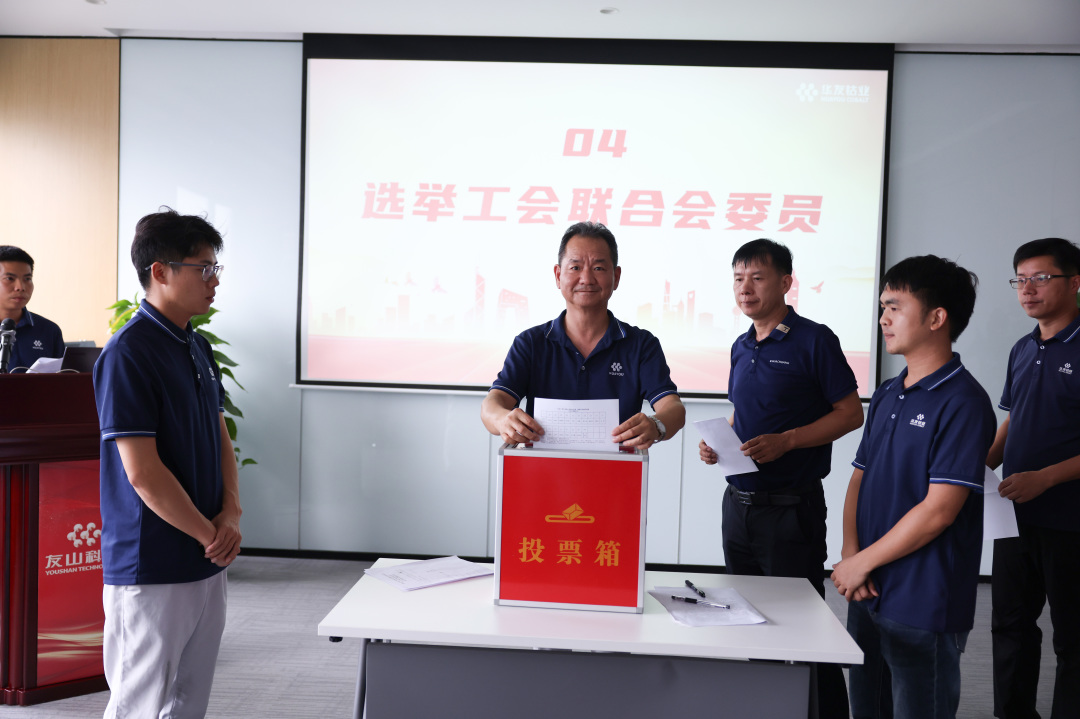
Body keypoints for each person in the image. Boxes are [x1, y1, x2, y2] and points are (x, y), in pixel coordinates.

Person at [698, 238, 862, 719]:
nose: (745, 288)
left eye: (757, 277)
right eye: (738, 278)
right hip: (739, 507)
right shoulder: (741, 345)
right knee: (748, 619)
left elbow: (850, 414)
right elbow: (743, 413)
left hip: (791, 510)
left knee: (804, 626)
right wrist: (721, 443)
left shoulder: (814, 340)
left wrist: (788, 441)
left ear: (786, 282)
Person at [831, 255, 996, 719]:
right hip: (868, 587)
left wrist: (862, 561)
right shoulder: (888, 391)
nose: (883, 318)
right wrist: (851, 554)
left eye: (895, 307)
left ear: (937, 318)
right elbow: (859, 477)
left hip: (924, 598)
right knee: (867, 707)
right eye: (882, 306)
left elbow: (939, 510)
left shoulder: (964, 402)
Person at [93, 209, 240, 719]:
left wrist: (231, 513)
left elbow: (220, 433)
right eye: (203, 268)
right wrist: (209, 533)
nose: (214, 280)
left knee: (189, 701)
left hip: (206, 554)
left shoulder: (196, 345)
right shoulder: (128, 352)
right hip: (152, 561)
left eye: (215, 267)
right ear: (160, 271)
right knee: (139, 703)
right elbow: (142, 473)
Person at [481, 221, 685, 449]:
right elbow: (492, 404)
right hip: (542, 468)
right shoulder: (530, 343)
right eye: (575, 267)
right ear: (558, 275)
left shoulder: (641, 344)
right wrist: (502, 420)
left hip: (618, 469)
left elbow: (674, 408)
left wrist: (656, 425)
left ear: (616, 277)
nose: (586, 279)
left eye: (598, 268)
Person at [986, 237, 1080, 719]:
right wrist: (981, 465)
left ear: (1075, 282)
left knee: (1073, 637)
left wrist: (1044, 478)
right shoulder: (1023, 348)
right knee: (1010, 626)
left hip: (1070, 520)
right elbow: (1013, 418)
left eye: (1041, 278)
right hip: (1014, 514)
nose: (1028, 289)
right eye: (1020, 280)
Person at [0, 245, 64, 371]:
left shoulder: (49, 330)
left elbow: (63, 378)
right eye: (9, 278)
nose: (20, 287)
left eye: (27, 279)